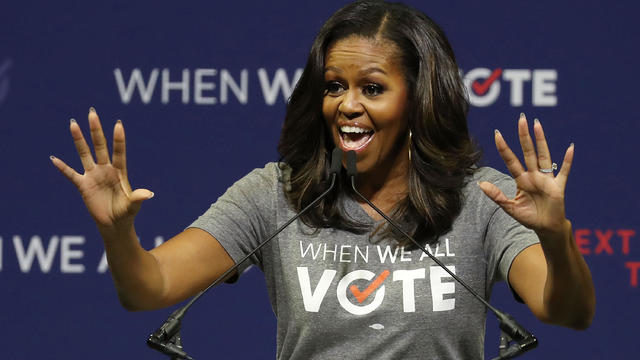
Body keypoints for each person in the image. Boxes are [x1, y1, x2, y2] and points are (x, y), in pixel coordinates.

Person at [50, 1, 595, 358]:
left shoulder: (479, 198)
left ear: (420, 101)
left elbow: (567, 311)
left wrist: (555, 234)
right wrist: (117, 233)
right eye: (335, 85)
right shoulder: (274, 194)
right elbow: (149, 288)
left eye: (373, 89)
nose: (348, 106)